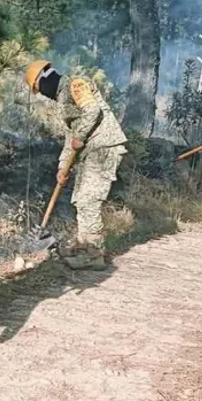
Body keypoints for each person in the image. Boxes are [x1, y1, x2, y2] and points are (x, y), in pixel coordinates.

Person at [24, 60, 128, 270]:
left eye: (39, 89)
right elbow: (70, 137)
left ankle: (94, 255)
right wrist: (63, 166)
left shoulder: (76, 84)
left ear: (45, 79)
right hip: (89, 153)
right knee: (81, 201)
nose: (43, 94)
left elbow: (93, 111)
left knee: (89, 200)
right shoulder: (62, 98)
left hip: (103, 148)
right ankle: (84, 249)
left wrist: (80, 136)